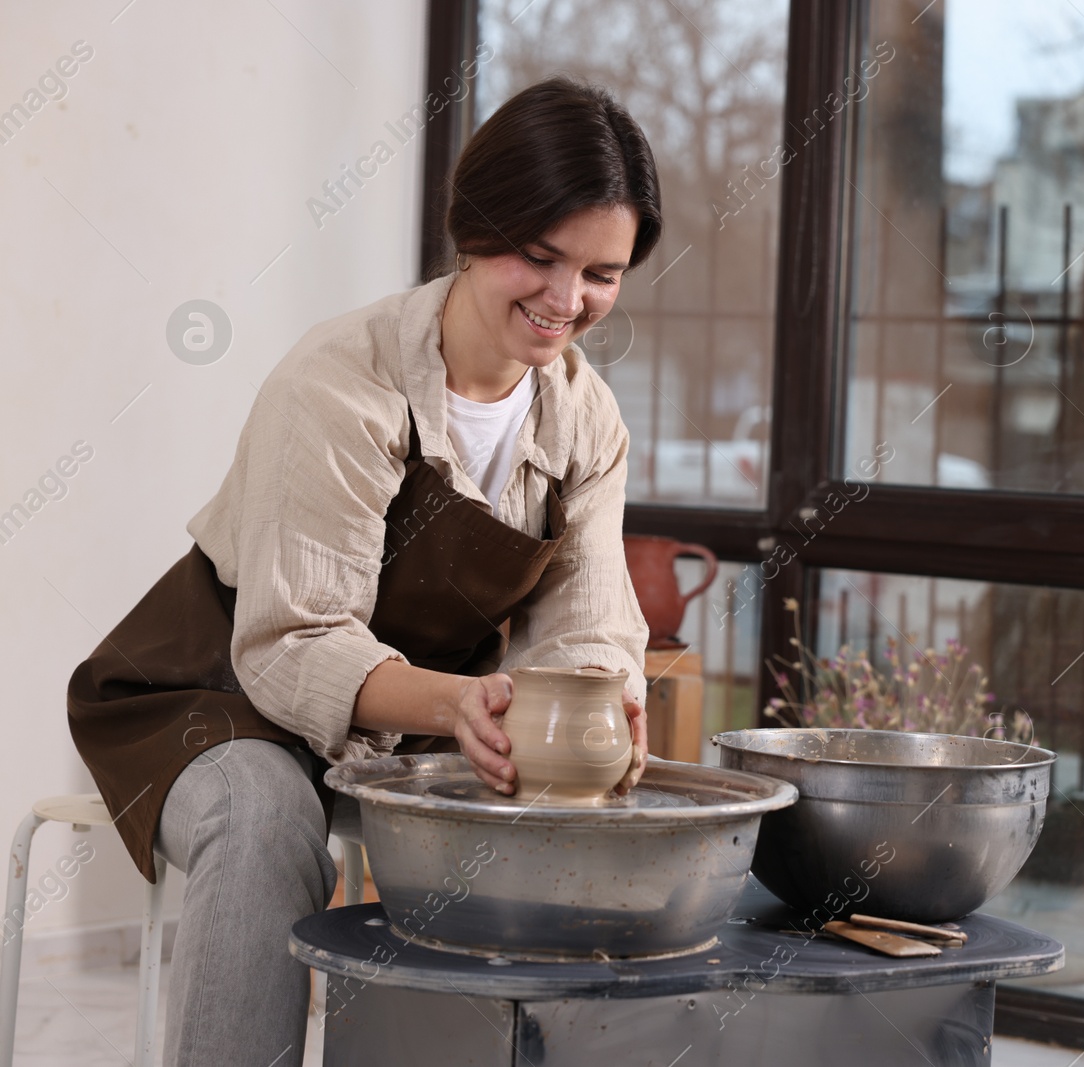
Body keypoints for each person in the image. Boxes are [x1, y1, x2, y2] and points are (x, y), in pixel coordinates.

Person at [65, 76, 660, 1065]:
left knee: (535, 823)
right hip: (212, 692)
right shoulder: (343, 379)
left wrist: (605, 705)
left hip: (410, 721)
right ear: (473, 228)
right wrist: (466, 705)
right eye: (539, 257)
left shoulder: (585, 420)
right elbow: (295, 641)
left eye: (600, 273)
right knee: (265, 815)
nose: (565, 301)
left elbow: (592, 621)